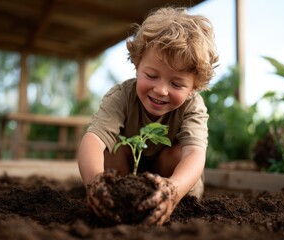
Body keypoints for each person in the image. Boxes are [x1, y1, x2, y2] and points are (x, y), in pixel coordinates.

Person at [77, 6, 219, 226]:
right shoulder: (122, 96)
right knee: (111, 146)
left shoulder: (193, 107)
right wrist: (94, 183)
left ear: (194, 87)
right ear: (137, 65)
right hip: (127, 177)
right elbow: (93, 141)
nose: (161, 90)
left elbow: (195, 154)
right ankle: (113, 196)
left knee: (177, 153)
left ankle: (171, 198)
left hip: (174, 183)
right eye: (151, 75)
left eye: (176, 83)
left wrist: (173, 190)